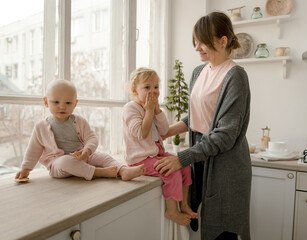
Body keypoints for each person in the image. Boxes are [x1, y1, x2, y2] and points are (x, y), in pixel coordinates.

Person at [154, 11, 252, 240]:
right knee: (201, 223)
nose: (197, 47)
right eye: (195, 42)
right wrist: (168, 131)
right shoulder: (199, 72)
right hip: (200, 158)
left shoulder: (235, 76)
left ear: (223, 41)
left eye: (202, 42)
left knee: (223, 231)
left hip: (226, 166)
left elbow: (225, 134)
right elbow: (197, 117)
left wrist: (181, 158)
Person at [15, 79, 146, 181]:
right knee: (65, 161)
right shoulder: (41, 127)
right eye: (56, 102)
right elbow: (33, 150)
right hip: (58, 164)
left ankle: (123, 171)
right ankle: (98, 172)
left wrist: (87, 151)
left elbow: (92, 138)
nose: (62, 106)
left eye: (68, 103)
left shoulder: (79, 121)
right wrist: (26, 169)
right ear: (46, 102)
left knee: (103, 157)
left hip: (83, 157)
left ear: (75, 104)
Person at [122, 67, 198, 226]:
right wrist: (149, 111)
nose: (153, 91)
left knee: (184, 164)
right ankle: (171, 211)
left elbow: (164, 130)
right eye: (147, 87)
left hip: (156, 153)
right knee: (170, 171)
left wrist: (157, 111)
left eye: (156, 87)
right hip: (140, 158)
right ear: (135, 90)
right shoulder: (131, 108)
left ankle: (183, 204)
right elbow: (141, 133)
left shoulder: (153, 108)